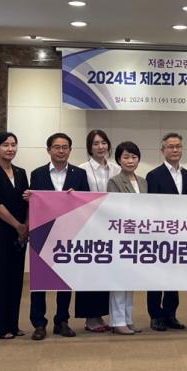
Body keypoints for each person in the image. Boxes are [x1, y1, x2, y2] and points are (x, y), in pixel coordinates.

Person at [29, 133, 89, 341]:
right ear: (49, 150)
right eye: (56, 147)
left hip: (69, 232)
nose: (61, 151)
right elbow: (35, 202)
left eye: (65, 147)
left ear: (70, 150)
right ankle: (39, 323)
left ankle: (62, 321)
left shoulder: (79, 174)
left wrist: (76, 197)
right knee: (39, 281)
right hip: (42, 232)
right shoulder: (37, 174)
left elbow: (87, 202)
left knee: (65, 279)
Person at [0, 132, 29, 339]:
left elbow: (27, 200)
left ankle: (12, 324)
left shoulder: (21, 173)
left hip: (19, 235)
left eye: (13, 145)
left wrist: (26, 226)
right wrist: (18, 225)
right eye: (5, 145)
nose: (10, 149)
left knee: (14, 279)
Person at [145, 133, 187, 331]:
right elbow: (151, 206)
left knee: (174, 278)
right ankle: (155, 316)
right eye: (170, 147)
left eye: (178, 146)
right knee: (156, 277)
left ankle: (171, 314)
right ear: (162, 150)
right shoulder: (154, 175)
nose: (175, 150)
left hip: (180, 235)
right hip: (159, 235)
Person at [76, 129, 120, 333]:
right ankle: (90, 317)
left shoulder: (117, 169)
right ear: (89, 148)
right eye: (95, 143)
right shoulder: (81, 170)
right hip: (88, 227)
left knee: (105, 273)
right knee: (88, 273)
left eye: (103, 142)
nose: (100, 147)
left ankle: (100, 314)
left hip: (111, 229)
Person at [107, 141, 146, 335]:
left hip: (139, 237)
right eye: (126, 157)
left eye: (134, 157)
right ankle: (118, 321)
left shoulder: (143, 181)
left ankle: (128, 319)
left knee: (130, 280)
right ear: (118, 160)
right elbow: (114, 209)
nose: (130, 161)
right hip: (121, 236)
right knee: (118, 280)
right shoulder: (114, 181)